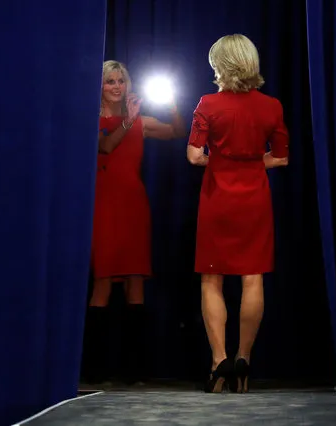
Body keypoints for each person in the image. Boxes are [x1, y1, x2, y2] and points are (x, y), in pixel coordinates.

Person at [186, 34, 289, 393]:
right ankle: (244, 358)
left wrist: (224, 161)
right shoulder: (271, 106)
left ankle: (219, 361)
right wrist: (249, 161)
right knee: (252, 277)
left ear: (220, 65)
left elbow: (195, 156)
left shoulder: (208, 104)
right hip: (255, 199)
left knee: (212, 279)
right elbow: (280, 157)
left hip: (218, 198)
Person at [83, 60, 186, 385]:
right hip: (102, 205)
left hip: (133, 205)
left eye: (121, 81)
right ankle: (94, 370)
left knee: (135, 282)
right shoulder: (92, 118)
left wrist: (170, 102)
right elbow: (105, 146)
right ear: (99, 85)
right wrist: (127, 121)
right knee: (102, 281)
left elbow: (177, 132)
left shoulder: (140, 120)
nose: (116, 86)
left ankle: (135, 370)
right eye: (109, 81)